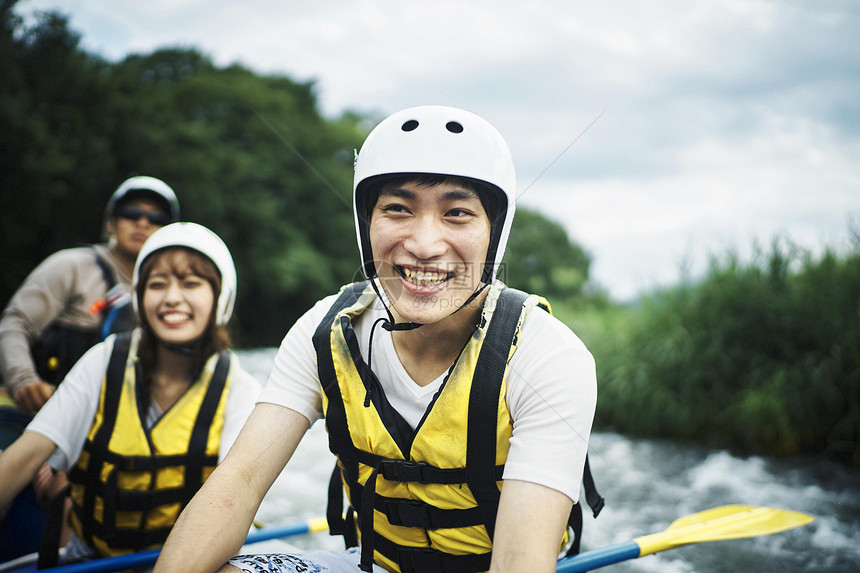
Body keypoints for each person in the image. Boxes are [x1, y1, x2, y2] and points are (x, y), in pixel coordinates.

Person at [154, 105, 599, 573]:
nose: (425, 245)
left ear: (494, 233)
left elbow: (518, 563)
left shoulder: (547, 355)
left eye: (458, 213)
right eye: (398, 209)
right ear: (366, 224)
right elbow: (238, 484)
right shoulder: (323, 333)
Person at [0, 222, 261, 565]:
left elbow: (233, 503)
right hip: (89, 559)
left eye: (191, 283)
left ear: (220, 298)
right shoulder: (104, 361)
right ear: (140, 298)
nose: (171, 297)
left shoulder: (241, 391)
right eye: (157, 284)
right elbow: (22, 459)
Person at [0, 175, 180, 414]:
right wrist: (23, 380)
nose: (143, 223)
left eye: (156, 218)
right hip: (38, 413)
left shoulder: (175, 293)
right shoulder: (70, 266)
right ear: (110, 224)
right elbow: (14, 323)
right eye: (131, 214)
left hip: (112, 423)